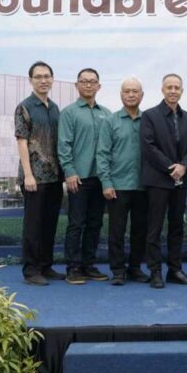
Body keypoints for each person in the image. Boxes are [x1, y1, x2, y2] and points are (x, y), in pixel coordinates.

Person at [139, 74, 187, 289]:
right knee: (154, 228)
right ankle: (155, 271)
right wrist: (170, 167)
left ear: (182, 91)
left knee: (177, 227)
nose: (173, 91)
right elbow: (148, 146)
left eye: (177, 87)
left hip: (180, 181)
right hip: (157, 181)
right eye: (169, 87)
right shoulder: (149, 116)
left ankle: (175, 270)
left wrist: (183, 166)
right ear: (162, 90)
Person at [58, 68, 112, 285]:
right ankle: (73, 268)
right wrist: (69, 171)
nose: (88, 85)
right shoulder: (69, 113)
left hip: (101, 178)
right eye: (84, 81)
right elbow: (63, 145)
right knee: (76, 224)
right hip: (78, 178)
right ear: (77, 85)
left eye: (92, 81)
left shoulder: (107, 113)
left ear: (99, 86)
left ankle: (88, 265)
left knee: (95, 223)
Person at [15, 61, 65, 286]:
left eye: (47, 76)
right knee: (33, 226)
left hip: (54, 176)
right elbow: (22, 142)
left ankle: (45, 266)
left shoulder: (54, 108)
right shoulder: (24, 107)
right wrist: (28, 174)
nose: (43, 80)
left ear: (52, 79)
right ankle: (31, 270)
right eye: (38, 77)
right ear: (31, 80)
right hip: (34, 177)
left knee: (49, 224)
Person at [96, 78, 150, 286]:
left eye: (135, 91)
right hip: (117, 186)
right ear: (121, 95)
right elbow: (102, 153)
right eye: (127, 91)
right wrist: (106, 182)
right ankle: (118, 270)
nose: (131, 95)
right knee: (116, 231)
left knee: (140, 230)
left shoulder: (149, 121)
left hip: (143, 186)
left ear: (142, 95)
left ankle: (135, 268)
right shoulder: (110, 121)